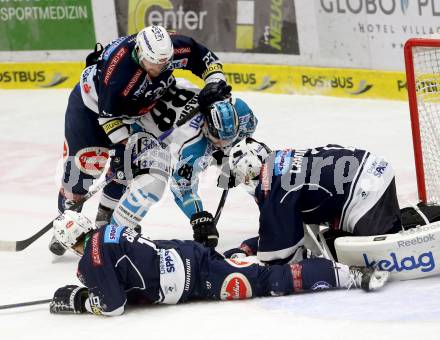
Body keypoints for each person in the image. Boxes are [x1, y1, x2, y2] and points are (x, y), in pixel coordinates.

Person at [52, 24, 232, 255]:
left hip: (135, 113)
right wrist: (130, 144)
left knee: (124, 172)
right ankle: (65, 222)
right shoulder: (118, 74)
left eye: (165, 62)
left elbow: (204, 57)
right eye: (154, 63)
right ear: (140, 53)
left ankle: (104, 224)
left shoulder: (169, 50)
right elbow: (109, 119)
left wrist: (214, 82)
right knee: (84, 171)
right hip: (91, 110)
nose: (161, 67)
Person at [48, 210, 389, 316]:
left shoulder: (89, 259)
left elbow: (113, 306)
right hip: (189, 255)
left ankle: (352, 274)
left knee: (270, 282)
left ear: (70, 243)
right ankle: (262, 246)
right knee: (245, 267)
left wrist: (81, 300)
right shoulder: (109, 230)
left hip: (198, 282)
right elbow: (137, 261)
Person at [105, 94, 258, 249]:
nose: (223, 144)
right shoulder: (191, 145)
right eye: (218, 139)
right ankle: (113, 237)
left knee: (252, 161)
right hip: (138, 126)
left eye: (229, 139)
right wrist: (199, 217)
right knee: (151, 184)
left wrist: (232, 156)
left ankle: (272, 206)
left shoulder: (241, 110)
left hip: (159, 98)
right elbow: (182, 189)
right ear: (206, 125)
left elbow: (244, 140)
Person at [225, 138, 406, 263]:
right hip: (373, 169)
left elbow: (279, 254)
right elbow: (298, 231)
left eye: (241, 176)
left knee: (382, 257)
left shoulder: (271, 184)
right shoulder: (282, 159)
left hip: (364, 193)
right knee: (331, 242)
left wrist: (249, 261)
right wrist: (248, 247)